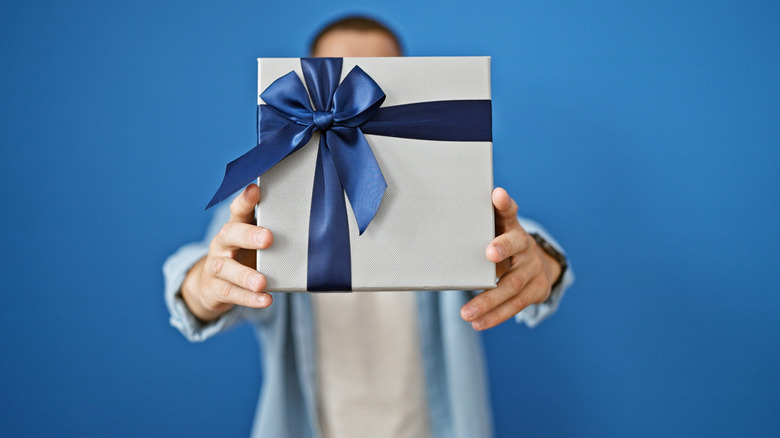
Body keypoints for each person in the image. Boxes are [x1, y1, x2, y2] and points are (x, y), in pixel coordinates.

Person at [164, 16, 574, 438]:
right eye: (341, 80)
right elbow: (198, 269)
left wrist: (539, 263)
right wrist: (205, 285)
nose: (351, 108)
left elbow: (518, 242)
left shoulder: (449, 190)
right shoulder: (269, 198)